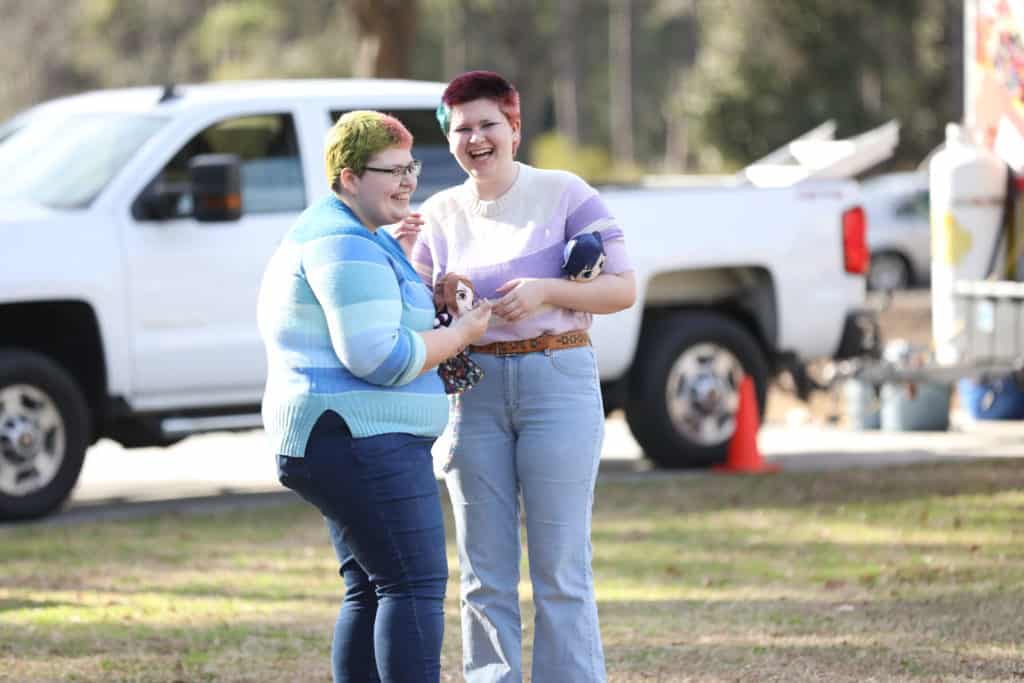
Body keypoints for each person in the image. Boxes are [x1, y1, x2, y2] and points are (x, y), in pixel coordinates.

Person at [409, 71, 637, 683]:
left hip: (556, 378)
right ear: (450, 139)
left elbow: (621, 287)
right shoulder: (438, 213)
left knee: (561, 567)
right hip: (473, 392)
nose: (476, 138)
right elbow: (416, 303)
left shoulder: (565, 192)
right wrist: (444, 290)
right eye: (462, 129)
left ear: (514, 127)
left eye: (488, 124)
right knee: (484, 570)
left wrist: (544, 292)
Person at [257, 110, 491, 683]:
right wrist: (458, 335)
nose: (409, 180)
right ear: (348, 177)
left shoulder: (352, 235)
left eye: (411, 167)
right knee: (411, 584)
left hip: (344, 439)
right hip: (359, 439)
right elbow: (379, 357)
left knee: (371, 586)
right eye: (392, 170)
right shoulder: (342, 242)